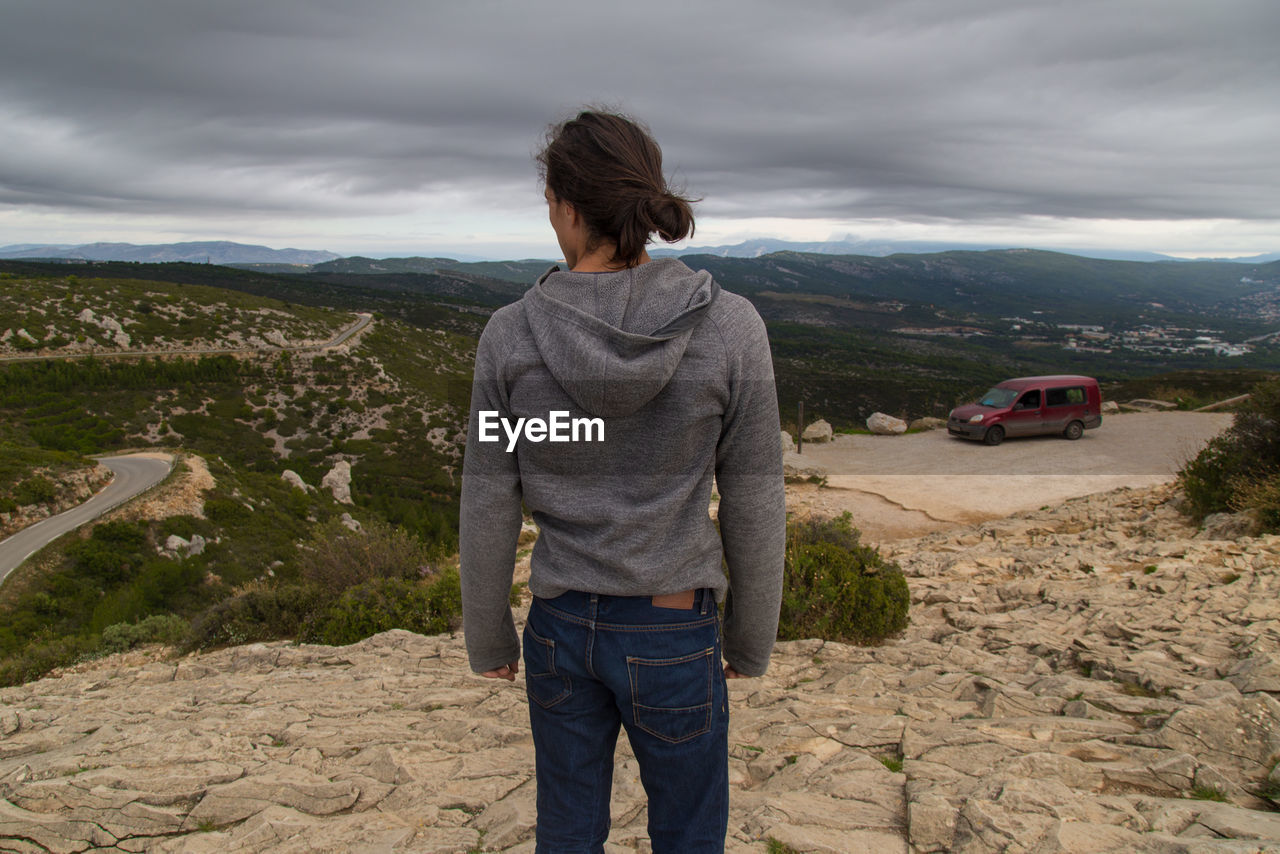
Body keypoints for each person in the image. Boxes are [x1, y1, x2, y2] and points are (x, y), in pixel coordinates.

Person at [459, 108, 785, 854]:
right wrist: (751, 634)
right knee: (689, 834)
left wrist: (487, 634)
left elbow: (488, 494)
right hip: (674, 623)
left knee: (568, 831)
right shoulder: (730, 327)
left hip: (561, 625)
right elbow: (756, 492)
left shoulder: (509, 336)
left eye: (550, 205)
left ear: (570, 207)